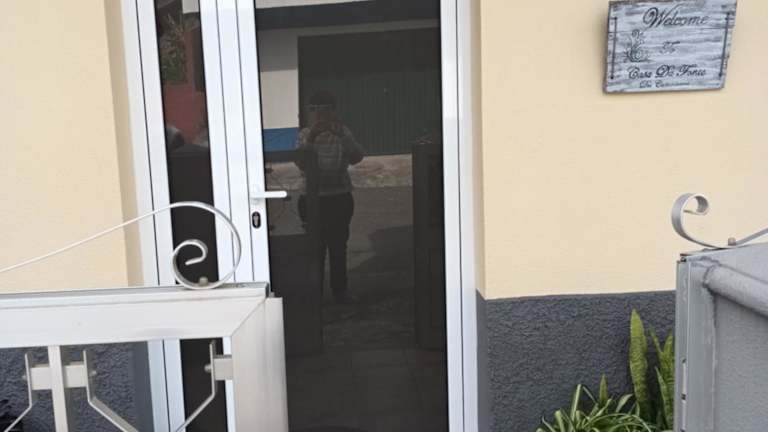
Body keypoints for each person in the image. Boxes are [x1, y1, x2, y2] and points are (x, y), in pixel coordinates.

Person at [295, 91, 364, 304]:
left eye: (325, 109)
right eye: (315, 110)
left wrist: (343, 137)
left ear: (333, 111)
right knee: (314, 248)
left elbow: (357, 157)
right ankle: (315, 295)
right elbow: (301, 162)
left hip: (339, 196)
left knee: (338, 247)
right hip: (312, 198)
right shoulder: (305, 134)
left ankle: (339, 292)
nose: (320, 115)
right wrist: (311, 138)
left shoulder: (343, 132)